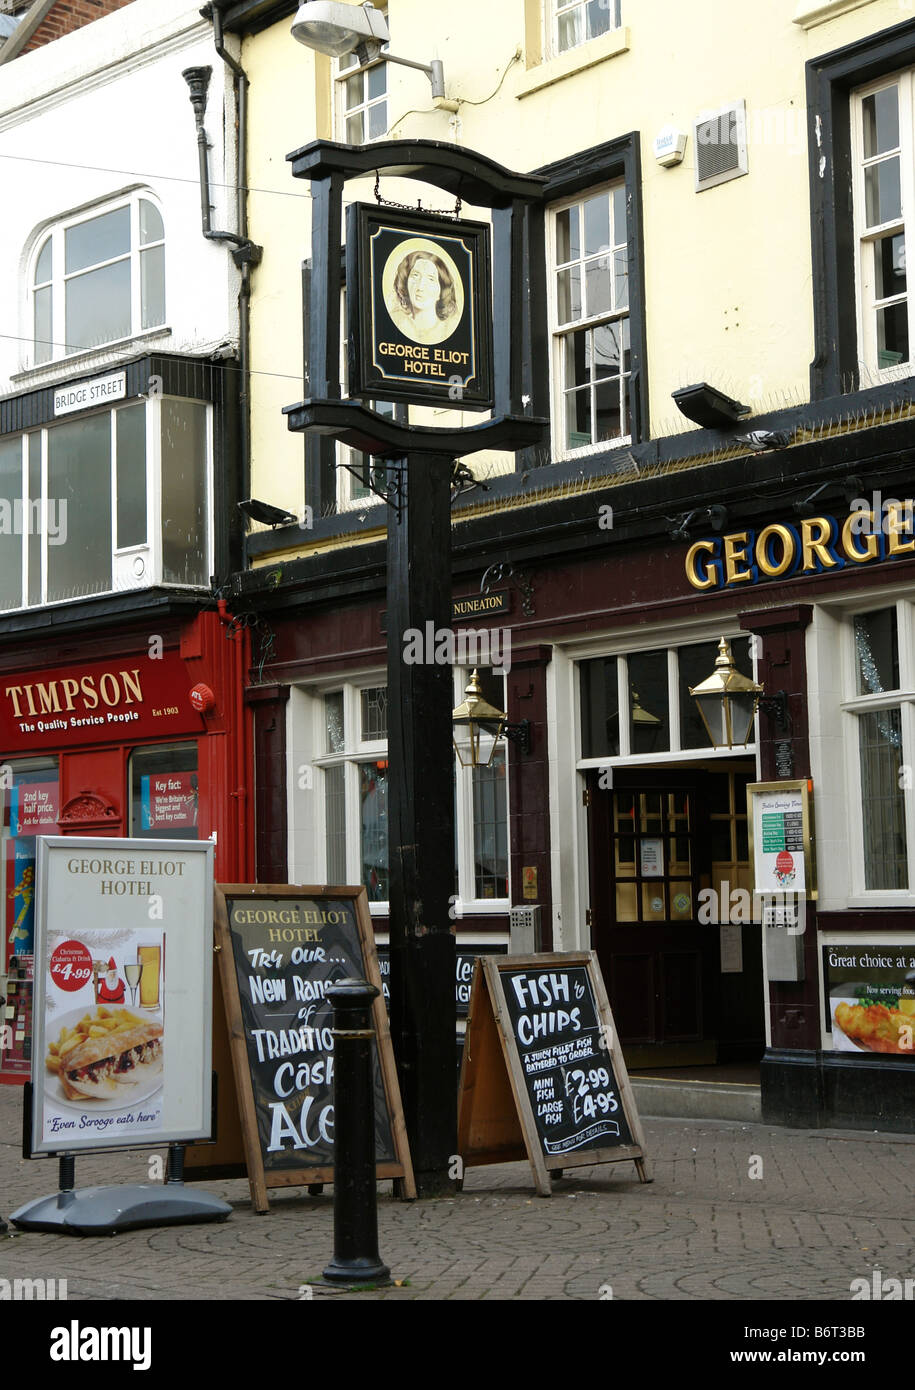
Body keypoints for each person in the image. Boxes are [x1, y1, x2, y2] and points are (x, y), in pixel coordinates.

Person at [388, 249, 458, 345]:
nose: (420, 287)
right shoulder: (398, 324)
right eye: (415, 276)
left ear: (441, 291)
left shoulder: (447, 329)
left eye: (431, 279)